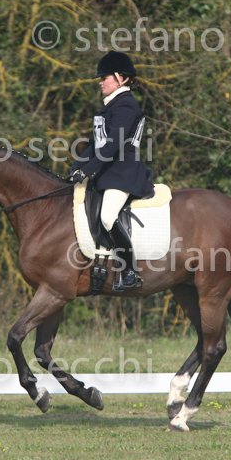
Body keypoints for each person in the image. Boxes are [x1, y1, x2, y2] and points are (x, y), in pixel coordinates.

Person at [68, 51, 155, 291]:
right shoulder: (110, 106)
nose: (100, 82)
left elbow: (113, 145)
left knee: (107, 215)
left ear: (121, 78)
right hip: (108, 172)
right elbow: (96, 145)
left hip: (124, 173)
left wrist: (88, 170)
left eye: (104, 77)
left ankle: (130, 271)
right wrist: (76, 168)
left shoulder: (126, 106)